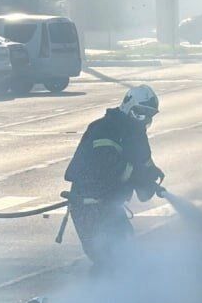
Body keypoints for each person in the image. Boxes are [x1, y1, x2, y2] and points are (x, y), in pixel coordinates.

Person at [63, 85, 165, 270]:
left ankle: (121, 295)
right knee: (107, 258)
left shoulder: (136, 133)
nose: (143, 120)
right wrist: (138, 176)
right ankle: (96, 296)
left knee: (126, 251)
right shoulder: (104, 130)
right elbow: (109, 170)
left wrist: (151, 175)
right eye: (140, 113)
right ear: (127, 105)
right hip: (89, 205)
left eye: (149, 116)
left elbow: (143, 163)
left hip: (109, 205)